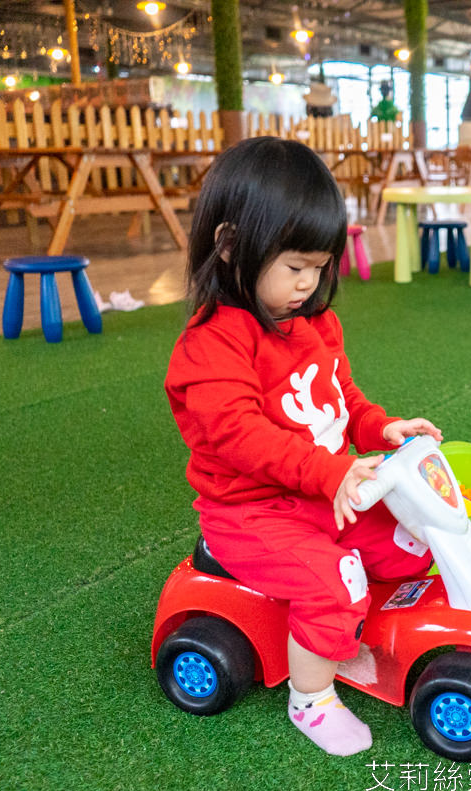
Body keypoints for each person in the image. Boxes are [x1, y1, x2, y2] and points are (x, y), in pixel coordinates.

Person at [164, 137, 442, 757]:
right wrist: (329, 472)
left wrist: (382, 429)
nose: (309, 283)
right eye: (295, 267)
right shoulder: (212, 346)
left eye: (320, 267)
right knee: (336, 578)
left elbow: (343, 400)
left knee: (409, 543)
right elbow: (239, 437)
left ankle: (341, 635)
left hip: (321, 492)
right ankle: (311, 698)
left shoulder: (315, 324)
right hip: (252, 513)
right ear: (232, 245)